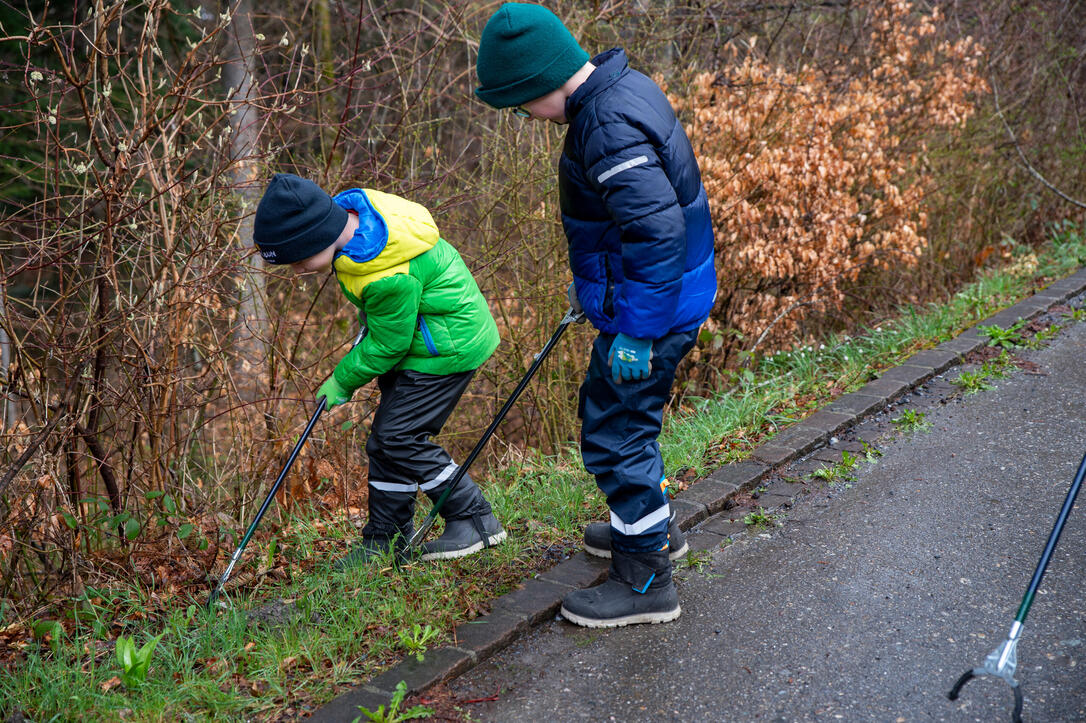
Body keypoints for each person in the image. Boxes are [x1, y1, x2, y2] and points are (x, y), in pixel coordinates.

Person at [474, 3, 717, 627]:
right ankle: (646, 531)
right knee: (624, 419)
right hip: (653, 299)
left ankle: (643, 583)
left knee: (615, 433)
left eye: (520, 103)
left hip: (651, 313)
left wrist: (636, 331)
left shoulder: (604, 125)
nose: (524, 117)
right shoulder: (621, 90)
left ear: (541, 82)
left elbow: (657, 233)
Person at [252, 173, 506, 566]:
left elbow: (389, 343)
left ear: (320, 235)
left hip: (446, 348)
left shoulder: (384, 272)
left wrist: (342, 380)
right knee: (385, 441)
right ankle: (386, 538)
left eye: (300, 260)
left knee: (399, 439)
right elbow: (386, 328)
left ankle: (474, 519)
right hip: (424, 341)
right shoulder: (359, 227)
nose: (298, 270)